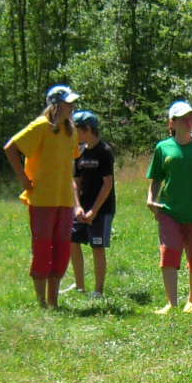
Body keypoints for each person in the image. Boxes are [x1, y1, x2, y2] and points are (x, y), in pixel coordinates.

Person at [3, 83, 81, 308]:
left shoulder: (71, 130)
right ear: (56, 105)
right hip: (42, 200)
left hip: (64, 199)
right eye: (68, 103)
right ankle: (41, 302)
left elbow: (70, 163)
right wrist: (23, 179)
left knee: (62, 250)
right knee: (43, 249)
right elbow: (10, 148)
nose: (72, 107)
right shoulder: (41, 126)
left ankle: (53, 301)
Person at [146, 99, 192, 313]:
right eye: (183, 119)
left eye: (191, 118)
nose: (189, 122)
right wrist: (150, 199)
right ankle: (171, 303)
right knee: (169, 253)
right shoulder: (163, 148)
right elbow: (156, 178)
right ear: (172, 122)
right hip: (169, 211)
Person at [70, 110, 116, 295]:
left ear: (87, 129)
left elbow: (107, 184)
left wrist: (94, 210)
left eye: (76, 130)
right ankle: (80, 286)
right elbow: (75, 182)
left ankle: (98, 290)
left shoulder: (104, 151)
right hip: (81, 208)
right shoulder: (79, 151)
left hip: (102, 209)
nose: (73, 134)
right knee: (73, 242)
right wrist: (77, 207)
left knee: (97, 247)